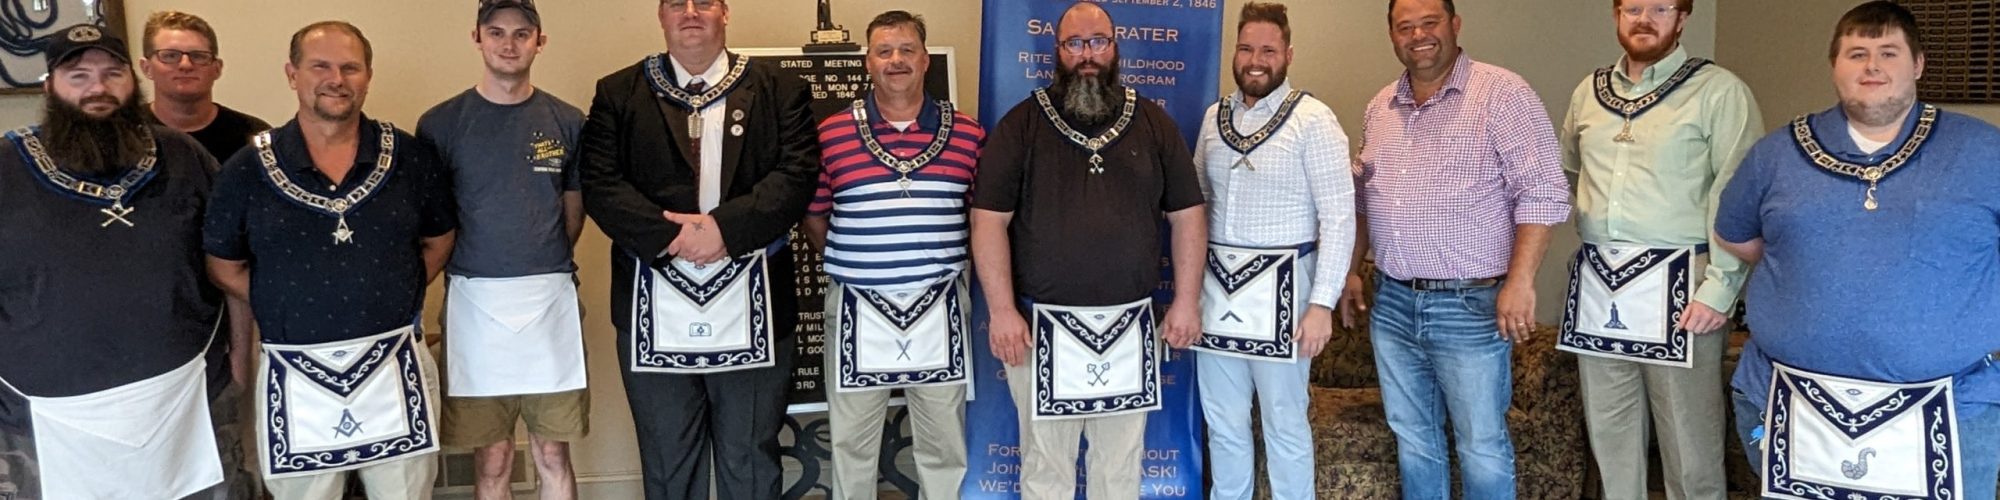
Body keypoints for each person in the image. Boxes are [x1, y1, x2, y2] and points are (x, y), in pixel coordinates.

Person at [1715, 2, 2000, 499]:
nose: (1872, 66)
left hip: (1954, 407)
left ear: (1918, 64)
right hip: (1789, 404)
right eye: (1857, 53)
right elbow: (1736, 235)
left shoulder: (1983, 150)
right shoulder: (1776, 153)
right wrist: (1814, 266)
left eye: (1889, 52)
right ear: (1834, 66)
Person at [204, 21, 457, 500]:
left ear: (368, 77)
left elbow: (440, 238)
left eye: (350, 68)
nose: (336, 79)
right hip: (295, 372)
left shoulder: (410, 157)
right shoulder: (247, 170)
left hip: (395, 364)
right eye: (320, 66)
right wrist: (291, 298)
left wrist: (392, 286)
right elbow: (223, 264)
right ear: (292, 74)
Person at [577, 0, 819, 497]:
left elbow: (797, 175)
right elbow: (600, 182)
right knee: (668, 460)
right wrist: (672, 236)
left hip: (756, 299)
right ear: (661, 16)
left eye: (704, 2)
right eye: (676, 3)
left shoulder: (780, 89)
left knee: (749, 457)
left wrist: (723, 229)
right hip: (651, 301)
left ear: (724, 13)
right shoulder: (619, 92)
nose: (690, 12)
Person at [969, 2, 1207, 498]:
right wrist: (1002, 311)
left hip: (1128, 327)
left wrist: (1187, 301)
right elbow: (989, 221)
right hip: (1039, 327)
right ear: (1056, 51)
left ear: (1115, 47)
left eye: (1098, 42)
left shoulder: (1153, 123)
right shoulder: (1021, 125)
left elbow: (1187, 215)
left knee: (1119, 470)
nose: (1087, 55)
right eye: (1074, 44)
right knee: (1045, 469)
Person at [1338, 0, 1571, 497]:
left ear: (1455, 25)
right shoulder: (1380, 106)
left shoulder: (1503, 93)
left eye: (1430, 22)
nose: (1418, 35)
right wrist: (1352, 269)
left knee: (1481, 444)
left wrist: (1520, 281)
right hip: (1392, 303)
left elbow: (1543, 192)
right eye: (1405, 27)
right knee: (1413, 439)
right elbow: (1364, 198)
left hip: (1471, 306)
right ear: (1392, 35)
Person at [0, 24, 235, 500]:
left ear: (133, 80)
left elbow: (233, 261)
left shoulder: (182, 156)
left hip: (187, 402)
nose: (98, 88)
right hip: (42, 416)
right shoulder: (5, 166)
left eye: (112, 74)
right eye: (79, 76)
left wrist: (243, 363)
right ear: (49, 86)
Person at [1555, 1, 1762, 498]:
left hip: (1682, 282)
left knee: (1690, 444)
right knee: (1610, 436)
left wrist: (1721, 289)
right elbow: (1568, 172)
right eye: (1632, 7)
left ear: (1683, 17)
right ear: (1616, 14)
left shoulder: (1718, 91)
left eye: (1660, 7)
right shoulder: (1588, 92)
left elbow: (1738, 195)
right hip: (1601, 282)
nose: (1643, 18)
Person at [799, 10, 979, 500]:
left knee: (944, 445)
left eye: (906, 50)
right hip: (857, 306)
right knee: (851, 445)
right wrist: (858, 263)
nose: (895, 60)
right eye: (884, 51)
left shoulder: (968, 134)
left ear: (925, 59)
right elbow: (815, 216)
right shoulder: (832, 134)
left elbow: (978, 220)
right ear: (868, 62)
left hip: (939, 305)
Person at [417, 2, 587, 499]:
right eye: (496, 32)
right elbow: (434, 221)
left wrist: (538, 258)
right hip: (475, 304)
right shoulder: (441, 124)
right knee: (492, 459)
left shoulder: (567, 120)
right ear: (477, 38)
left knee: (553, 453)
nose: (508, 44)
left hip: (550, 301)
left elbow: (572, 212)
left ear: (540, 41)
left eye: (521, 33)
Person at [1188, 3, 1353, 499]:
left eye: (1268, 50)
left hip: (1287, 289)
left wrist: (1322, 304)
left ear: (1288, 54)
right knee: (1223, 423)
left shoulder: (1314, 120)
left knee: (1284, 423)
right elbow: (1196, 204)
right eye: (1246, 49)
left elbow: (1339, 218)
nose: (1255, 60)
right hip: (1218, 290)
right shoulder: (1213, 118)